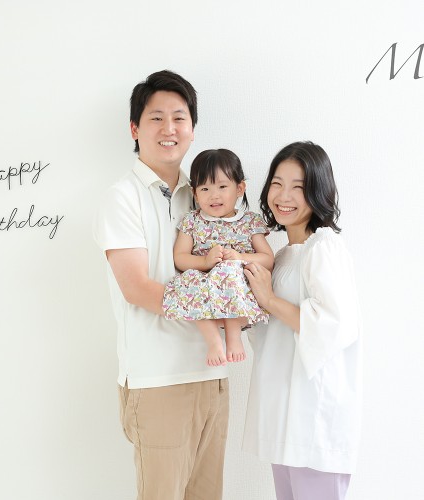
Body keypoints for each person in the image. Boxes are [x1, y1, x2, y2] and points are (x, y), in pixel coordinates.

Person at [93, 70, 229, 500]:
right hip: (157, 381)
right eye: (156, 118)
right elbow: (136, 287)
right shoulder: (121, 197)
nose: (169, 128)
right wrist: (211, 306)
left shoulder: (205, 195)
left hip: (213, 374)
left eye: (179, 118)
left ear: (192, 129)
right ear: (135, 129)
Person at [242, 141, 363, 500]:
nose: (284, 196)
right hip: (286, 415)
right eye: (277, 183)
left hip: (315, 419)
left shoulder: (324, 248)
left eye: (298, 186)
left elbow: (334, 325)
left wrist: (269, 300)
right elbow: (270, 333)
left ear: (318, 192)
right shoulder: (282, 256)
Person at [163, 148, 274, 366]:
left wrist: (239, 257)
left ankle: (233, 337)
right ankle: (213, 341)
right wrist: (204, 262)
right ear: (195, 193)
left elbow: (267, 259)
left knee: (228, 270)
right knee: (190, 280)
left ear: (239, 188)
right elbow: (180, 258)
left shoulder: (249, 221)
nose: (214, 195)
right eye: (205, 188)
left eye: (222, 187)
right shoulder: (192, 221)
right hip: (204, 283)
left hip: (237, 284)